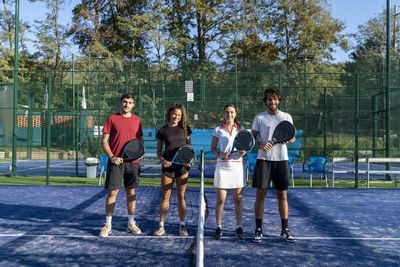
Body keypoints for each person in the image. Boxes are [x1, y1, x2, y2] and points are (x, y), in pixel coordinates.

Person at [251, 87, 296, 243]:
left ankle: (285, 229)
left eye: (275, 99)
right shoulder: (259, 118)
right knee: (260, 194)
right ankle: (258, 229)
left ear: (279, 100)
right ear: (266, 101)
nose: (273, 101)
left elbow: (292, 138)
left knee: (282, 195)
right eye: (270, 99)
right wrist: (260, 144)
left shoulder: (287, 117)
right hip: (263, 160)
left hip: (281, 160)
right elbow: (251, 139)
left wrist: (286, 140)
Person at [99, 93, 143, 237]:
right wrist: (112, 157)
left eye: (130, 102)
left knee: (131, 192)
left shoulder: (137, 120)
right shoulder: (112, 119)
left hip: (133, 163)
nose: (127, 105)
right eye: (125, 102)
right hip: (116, 162)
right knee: (112, 193)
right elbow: (104, 141)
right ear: (120, 103)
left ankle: (131, 223)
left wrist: (140, 151)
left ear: (133, 104)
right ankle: (108, 225)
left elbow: (139, 139)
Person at [154, 103, 192, 237]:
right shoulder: (162, 131)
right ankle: (161, 226)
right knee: (165, 196)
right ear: (169, 114)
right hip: (168, 167)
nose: (176, 116)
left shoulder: (186, 129)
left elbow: (189, 148)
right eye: (174, 114)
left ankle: (182, 226)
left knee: (181, 196)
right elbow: (158, 151)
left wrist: (189, 161)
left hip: (182, 168)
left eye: (179, 115)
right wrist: (163, 160)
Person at [210, 103, 246, 240]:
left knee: (238, 199)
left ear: (235, 114)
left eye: (231, 112)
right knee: (221, 199)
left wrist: (244, 152)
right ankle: (219, 227)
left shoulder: (241, 130)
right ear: (223, 114)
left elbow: (246, 147)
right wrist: (220, 154)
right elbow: (213, 148)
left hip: (237, 167)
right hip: (222, 168)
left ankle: (239, 227)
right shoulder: (218, 130)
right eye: (227, 112)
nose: (229, 115)